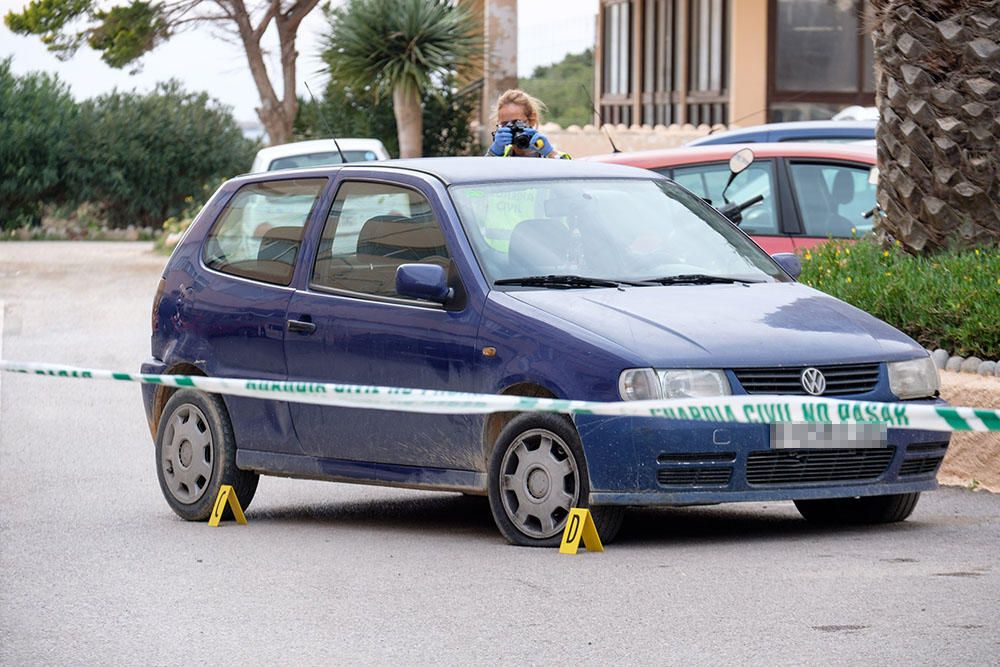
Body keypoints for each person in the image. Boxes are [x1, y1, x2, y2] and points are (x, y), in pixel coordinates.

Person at [486, 89, 571, 159]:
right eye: (505, 124)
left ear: (531, 120)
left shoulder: (547, 154)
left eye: (516, 122)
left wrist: (551, 153)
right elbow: (485, 174)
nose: (511, 128)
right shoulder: (501, 158)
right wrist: (494, 153)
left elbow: (570, 174)